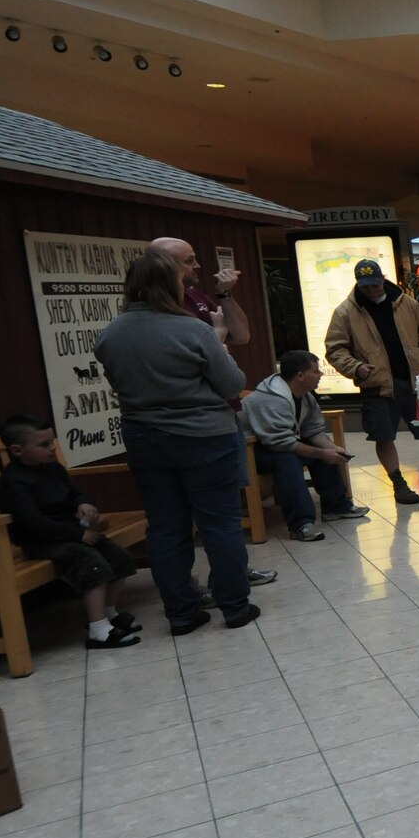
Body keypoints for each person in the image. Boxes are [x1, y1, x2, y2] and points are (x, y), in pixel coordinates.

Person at [94, 249, 257, 634]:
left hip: (144, 437)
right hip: (203, 437)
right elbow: (232, 384)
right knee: (220, 524)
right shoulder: (192, 330)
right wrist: (217, 340)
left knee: (166, 529)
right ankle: (234, 606)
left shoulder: (111, 334)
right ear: (171, 285)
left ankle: (181, 613)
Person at [150, 236, 276, 589]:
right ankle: (194, 588)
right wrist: (217, 336)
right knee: (184, 517)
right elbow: (200, 356)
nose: (198, 266)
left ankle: (231, 573)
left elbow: (243, 335)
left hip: (223, 414)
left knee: (226, 506)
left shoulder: (198, 298)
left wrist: (225, 296)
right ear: (164, 266)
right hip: (193, 422)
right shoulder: (158, 313)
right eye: (189, 261)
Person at [324, 258, 419, 505]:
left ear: (383, 279)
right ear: (358, 284)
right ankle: (398, 484)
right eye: (365, 286)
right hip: (377, 385)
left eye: (375, 284)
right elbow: (335, 349)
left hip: (417, 380)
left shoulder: (406, 303)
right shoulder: (345, 313)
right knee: (384, 436)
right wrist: (357, 368)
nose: (371, 290)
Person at [0, 416, 141, 649]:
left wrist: (82, 503)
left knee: (119, 558)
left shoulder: (53, 468)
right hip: (41, 540)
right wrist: (77, 535)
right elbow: (32, 522)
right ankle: (98, 629)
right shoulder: (13, 482)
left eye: (52, 441)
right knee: (93, 565)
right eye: (44, 444)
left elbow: (75, 494)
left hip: (70, 532)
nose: (52, 448)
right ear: (17, 450)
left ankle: (110, 612)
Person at [240, 350, 369, 542]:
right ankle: (300, 524)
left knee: (322, 453)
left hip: (275, 445)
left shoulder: (305, 396)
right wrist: (321, 452)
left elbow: (313, 431)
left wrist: (331, 449)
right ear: (300, 376)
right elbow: (280, 443)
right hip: (247, 451)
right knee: (287, 460)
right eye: (316, 371)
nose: (321, 375)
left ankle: (336, 507)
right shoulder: (271, 399)